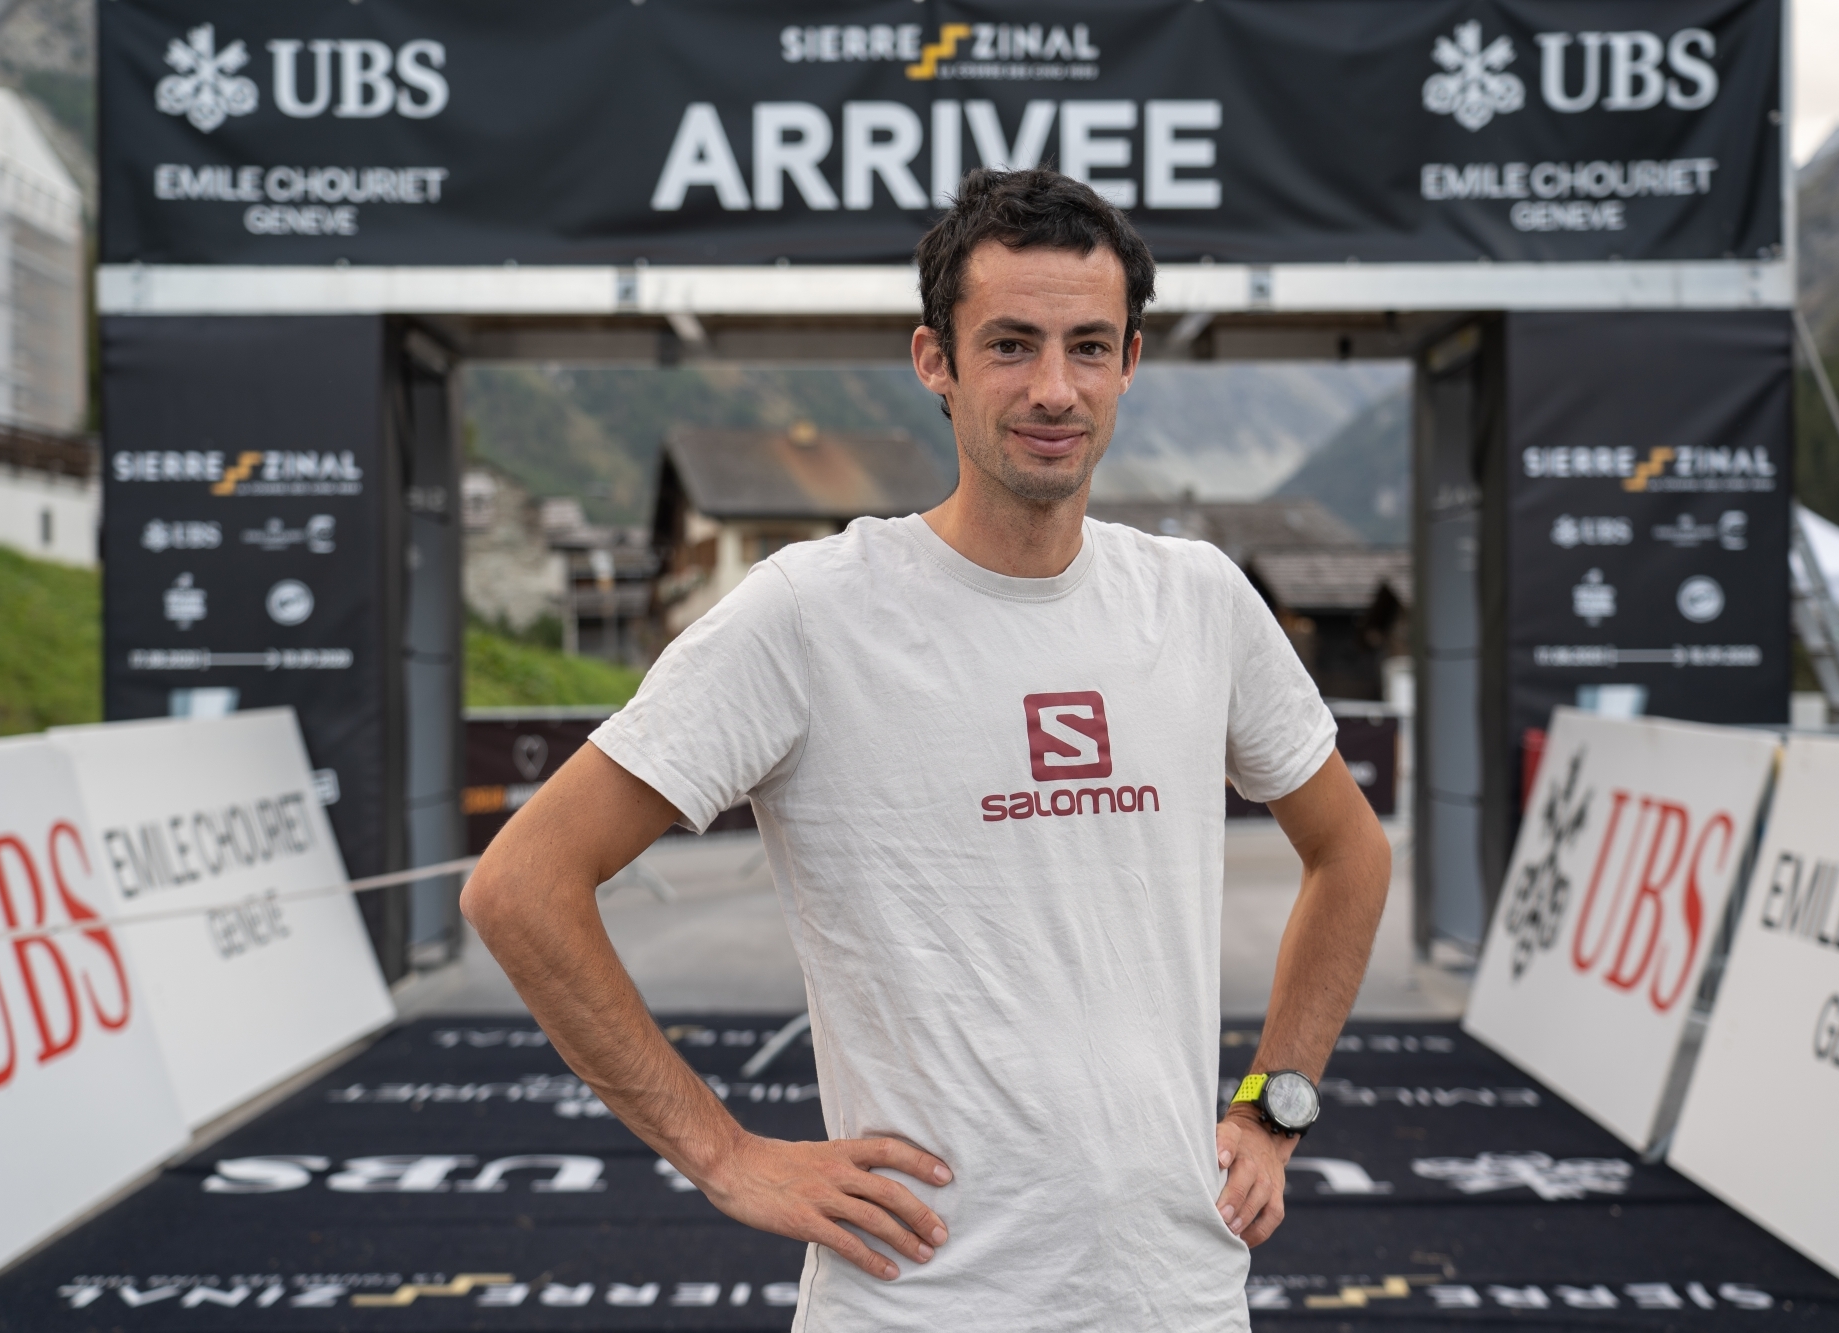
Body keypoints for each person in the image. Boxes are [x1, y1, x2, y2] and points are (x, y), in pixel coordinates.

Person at [462, 167, 1391, 1330]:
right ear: (932, 362)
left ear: (1128, 365)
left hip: (1177, 1291)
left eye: (1087, 347)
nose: (1053, 388)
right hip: (920, 1297)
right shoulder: (811, 611)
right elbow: (520, 887)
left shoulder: (1198, 599)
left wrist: (1271, 1109)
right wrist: (725, 1154)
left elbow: (1350, 854)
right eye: (1009, 345)